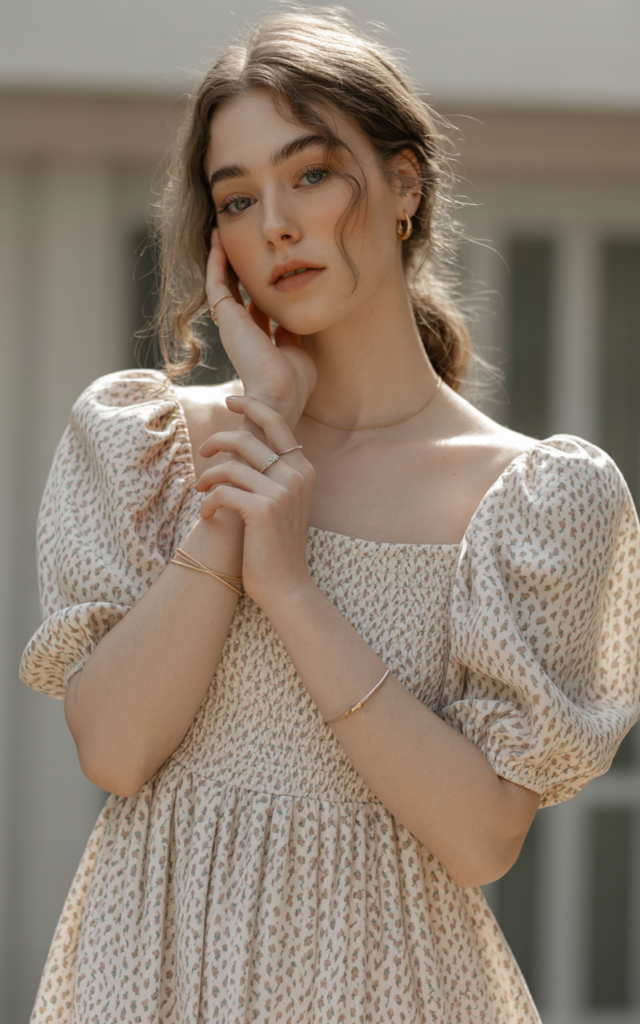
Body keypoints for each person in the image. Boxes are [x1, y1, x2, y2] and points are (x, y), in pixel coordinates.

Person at [20, 8, 640, 1023]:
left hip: (390, 984)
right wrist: (251, 450)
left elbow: (482, 837)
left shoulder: (533, 498)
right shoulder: (150, 445)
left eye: (310, 174)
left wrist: (294, 590)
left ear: (403, 184)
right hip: (151, 973)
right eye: (236, 200)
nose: (275, 225)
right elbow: (117, 752)